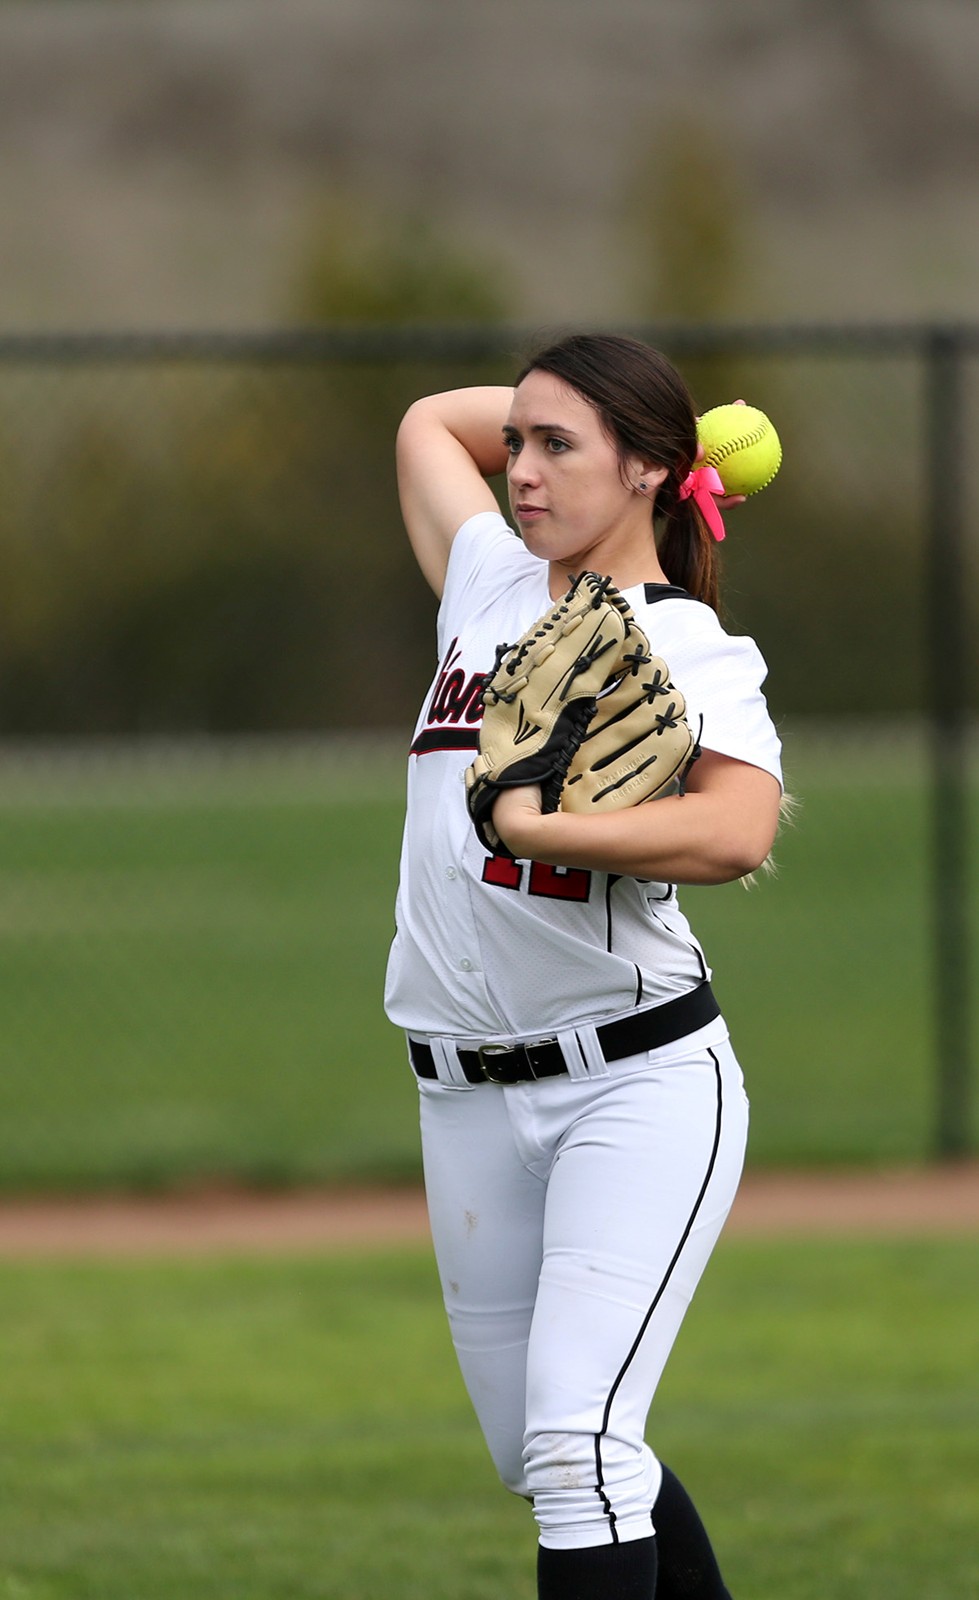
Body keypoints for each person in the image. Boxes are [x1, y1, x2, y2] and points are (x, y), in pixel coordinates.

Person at [384, 332, 783, 1600]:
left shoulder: (689, 643)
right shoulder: (490, 582)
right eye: (523, 443)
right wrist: (593, 414)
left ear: (650, 473)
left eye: (559, 448)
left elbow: (738, 827)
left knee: (577, 1448)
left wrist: (558, 829)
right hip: (465, 1098)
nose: (522, 469)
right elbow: (424, 427)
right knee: (543, 1452)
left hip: (635, 1084)